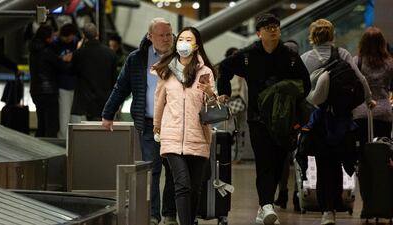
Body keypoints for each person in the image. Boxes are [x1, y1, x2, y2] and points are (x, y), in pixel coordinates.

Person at [217, 13, 311, 225]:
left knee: (279, 164)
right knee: (264, 162)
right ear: (259, 33)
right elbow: (224, 69)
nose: (273, 30)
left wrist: (289, 100)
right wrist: (224, 92)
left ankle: (264, 206)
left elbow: (305, 84)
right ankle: (266, 205)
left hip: (284, 122)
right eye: (268, 27)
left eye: (276, 26)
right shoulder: (249, 55)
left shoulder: (290, 56)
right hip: (257, 119)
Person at [102, 18, 177, 225]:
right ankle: (153, 215)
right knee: (152, 170)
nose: (166, 39)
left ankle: (170, 214)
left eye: (169, 34)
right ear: (150, 36)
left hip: (175, 123)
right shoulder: (137, 59)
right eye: (161, 35)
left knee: (174, 170)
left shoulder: (181, 58)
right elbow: (121, 87)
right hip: (147, 124)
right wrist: (108, 114)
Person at [300, 18, 373, 225]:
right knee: (339, 162)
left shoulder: (306, 58)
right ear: (332, 35)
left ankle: (327, 211)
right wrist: (369, 99)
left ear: (312, 36)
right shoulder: (342, 54)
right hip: (341, 119)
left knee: (323, 164)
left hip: (319, 119)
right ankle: (336, 201)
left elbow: (302, 90)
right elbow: (361, 79)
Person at [152, 26, 217, 225]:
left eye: (189, 40)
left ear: (196, 45)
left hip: (198, 136)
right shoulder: (166, 71)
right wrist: (157, 126)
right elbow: (159, 101)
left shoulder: (205, 72)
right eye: (181, 39)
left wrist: (209, 93)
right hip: (171, 137)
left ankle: (189, 220)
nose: (184, 43)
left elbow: (212, 107)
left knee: (195, 188)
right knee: (182, 184)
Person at [352, 26, 393, 203]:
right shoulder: (390, 63)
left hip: (362, 113)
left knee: (363, 158)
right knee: (384, 156)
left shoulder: (357, 61)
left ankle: (368, 201)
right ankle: (382, 199)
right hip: (384, 113)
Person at [29, 24, 72, 137]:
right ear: (47, 37)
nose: (53, 38)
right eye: (52, 36)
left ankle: (38, 148)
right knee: (51, 125)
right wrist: (66, 60)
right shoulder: (47, 51)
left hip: (35, 90)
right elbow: (61, 66)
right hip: (48, 91)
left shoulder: (33, 50)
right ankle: (49, 150)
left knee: (41, 123)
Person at [273, 39, 301, 212]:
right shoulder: (301, 68)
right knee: (299, 158)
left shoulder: (277, 69)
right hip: (299, 121)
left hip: (282, 122)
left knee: (282, 160)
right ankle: (297, 195)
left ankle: (283, 193)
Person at [71, 23, 117, 121]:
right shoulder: (110, 53)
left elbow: (71, 71)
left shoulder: (79, 53)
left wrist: (77, 50)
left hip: (85, 99)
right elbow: (114, 79)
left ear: (84, 36)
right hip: (104, 98)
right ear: (98, 34)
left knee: (88, 130)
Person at [51, 23, 79, 138]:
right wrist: (63, 60)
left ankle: (76, 140)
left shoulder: (76, 43)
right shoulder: (55, 45)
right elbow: (52, 63)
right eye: (68, 37)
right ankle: (63, 139)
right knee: (64, 115)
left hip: (75, 84)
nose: (70, 39)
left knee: (75, 116)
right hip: (63, 85)